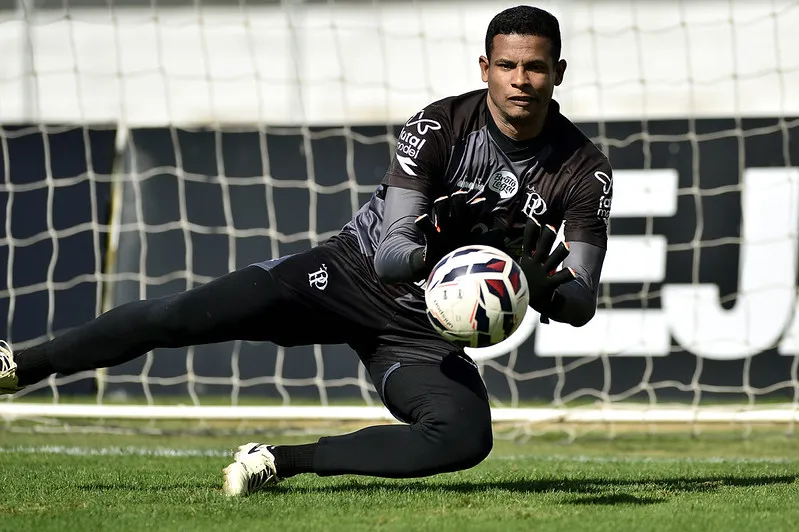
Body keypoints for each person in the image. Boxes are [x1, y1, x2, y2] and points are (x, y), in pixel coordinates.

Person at [0, 5, 612, 496]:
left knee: (464, 438)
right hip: (345, 276)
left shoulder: (584, 170)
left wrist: (543, 285)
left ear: (559, 71)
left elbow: (582, 303)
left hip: (423, 333)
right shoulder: (438, 127)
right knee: (180, 316)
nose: (521, 80)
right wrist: (441, 234)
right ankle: (20, 365)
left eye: (535, 67)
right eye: (508, 65)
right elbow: (388, 258)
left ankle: (277, 461)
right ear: (485, 68)